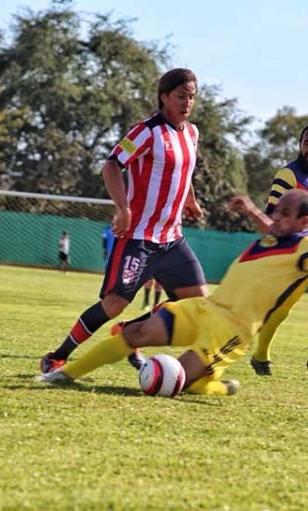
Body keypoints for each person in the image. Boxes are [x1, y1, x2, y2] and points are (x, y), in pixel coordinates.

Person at [38, 189, 308, 395]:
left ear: (304, 220)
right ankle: (65, 375)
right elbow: (269, 227)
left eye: (285, 213)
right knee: (134, 334)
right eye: (277, 211)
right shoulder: (277, 234)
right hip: (206, 308)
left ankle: (218, 387)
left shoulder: (307, 247)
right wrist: (251, 209)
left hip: (232, 331)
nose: (276, 217)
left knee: (179, 383)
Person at [40, 68, 208, 373]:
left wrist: (190, 200)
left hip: (172, 240)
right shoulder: (145, 132)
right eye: (181, 96)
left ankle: (129, 329)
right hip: (138, 237)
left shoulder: (192, 133)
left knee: (197, 301)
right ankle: (57, 356)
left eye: (192, 97)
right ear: (164, 97)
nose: (187, 102)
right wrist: (123, 208)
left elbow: (183, 171)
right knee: (114, 303)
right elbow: (111, 165)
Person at [230, 123, 308, 382]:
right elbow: (274, 217)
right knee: (282, 309)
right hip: (295, 253)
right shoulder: (287, 175)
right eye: (306, 143)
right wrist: (303, 230)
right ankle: (260, 356)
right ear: (300, 144)